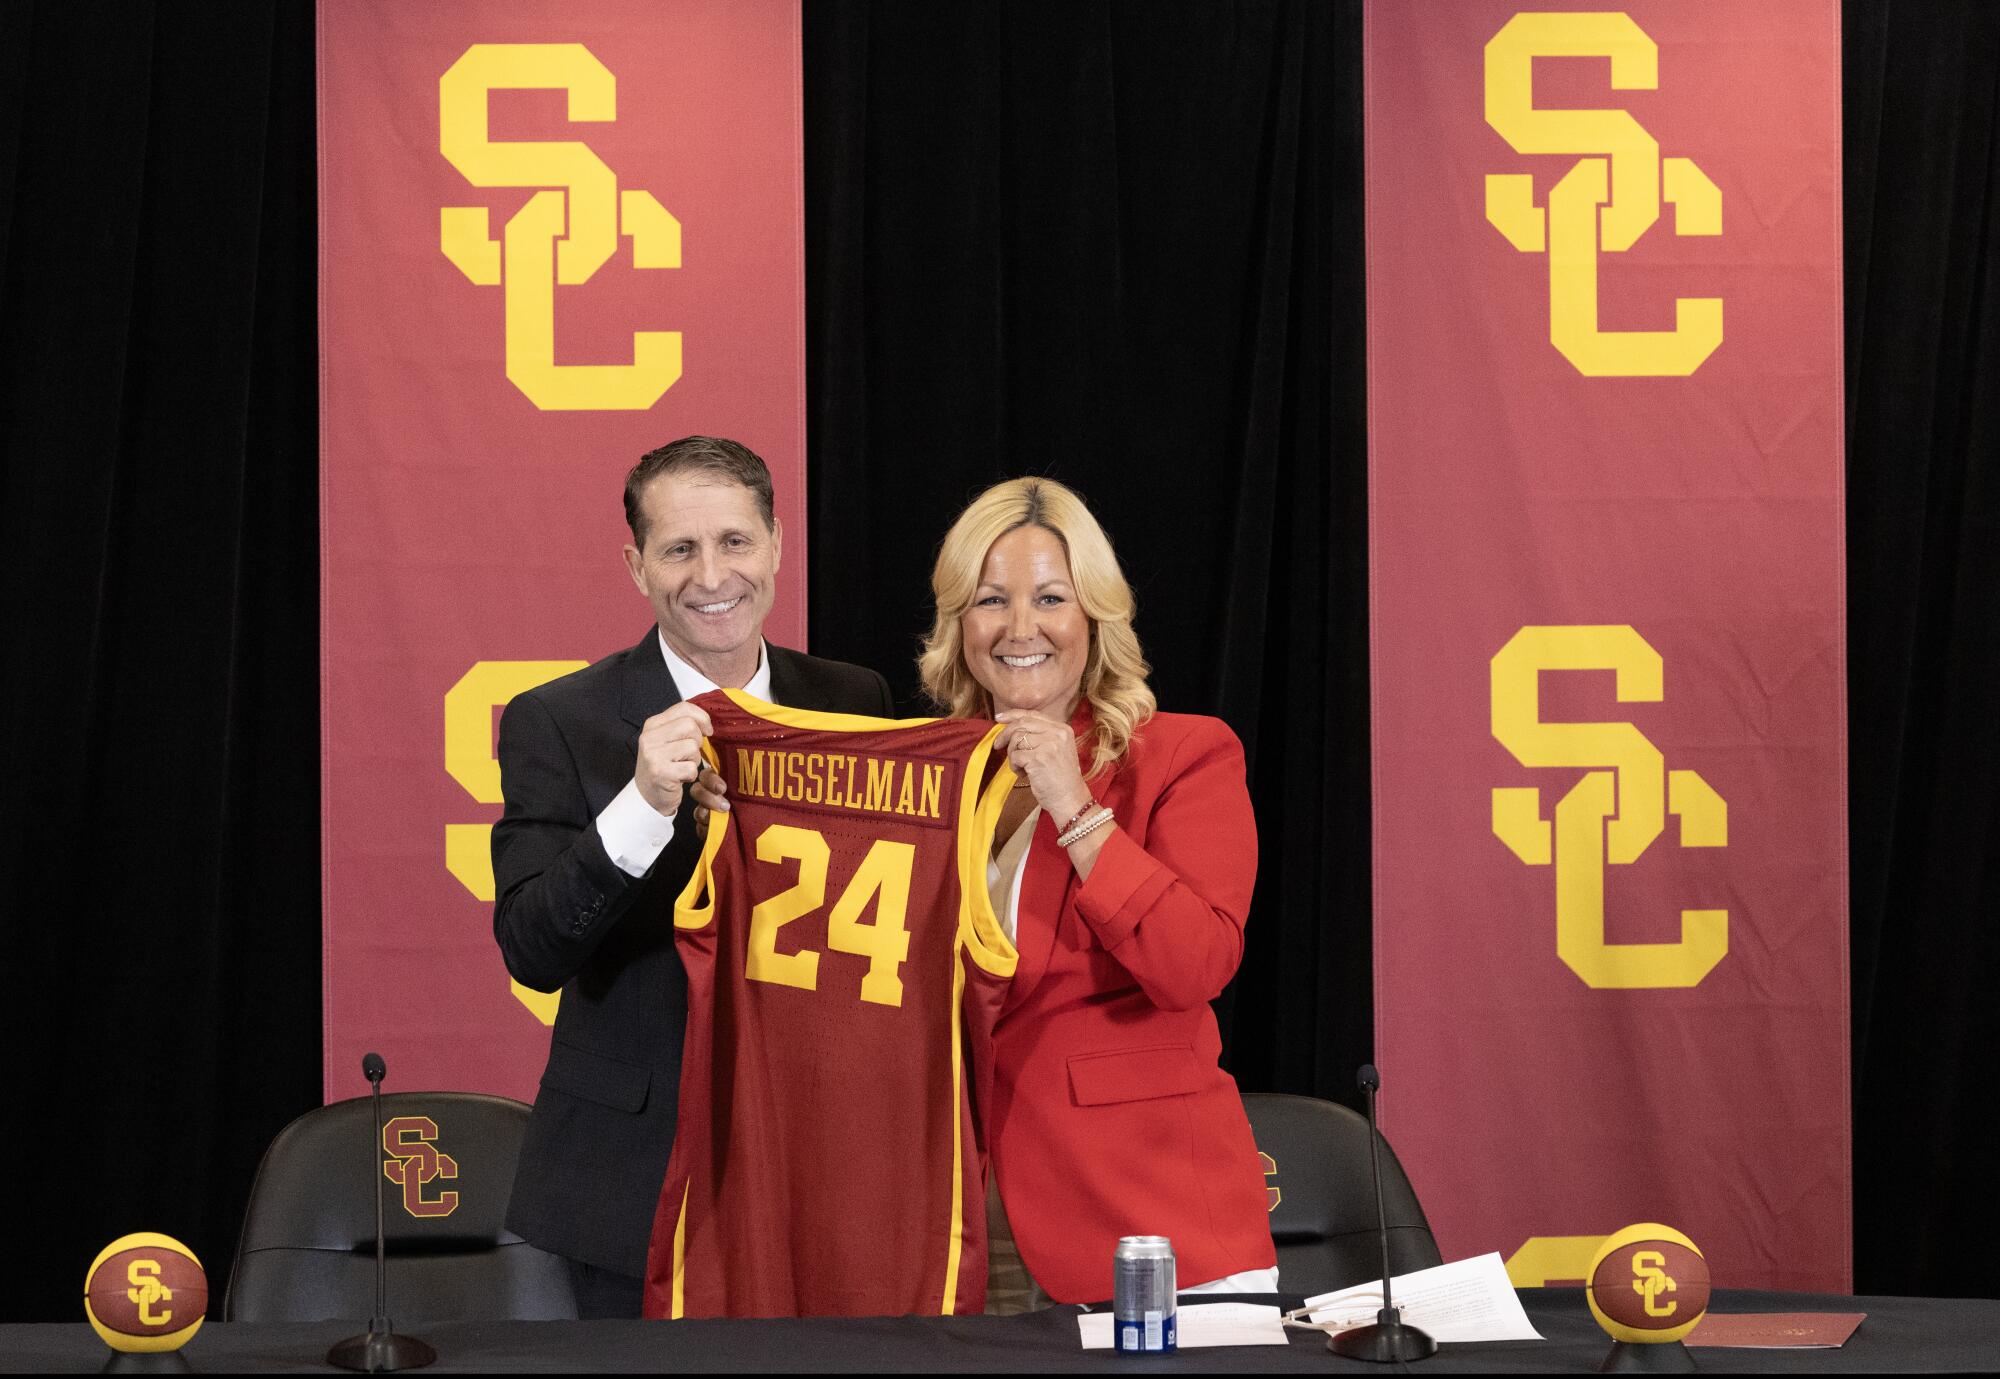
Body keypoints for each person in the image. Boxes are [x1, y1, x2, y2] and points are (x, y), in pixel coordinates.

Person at [491, 436, 892, 1318]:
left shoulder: (855, 699)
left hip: (820, 1170)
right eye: (679, 549)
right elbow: (532, 946)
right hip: (634, 1180)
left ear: (777, 544)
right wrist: (641, 803)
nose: (712, 574)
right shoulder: (559, 720)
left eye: (735, 542)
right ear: (637, 567)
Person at [918, 475, 1278, 1308]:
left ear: (1095, 616)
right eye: (988, 600)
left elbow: (1194, 964)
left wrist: (1075, 808)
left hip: (1145, 1216)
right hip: (967, 1229)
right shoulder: (928, 773)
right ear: (957, 624)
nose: (1018, 628)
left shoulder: (1184, 755)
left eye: (1050, 597)